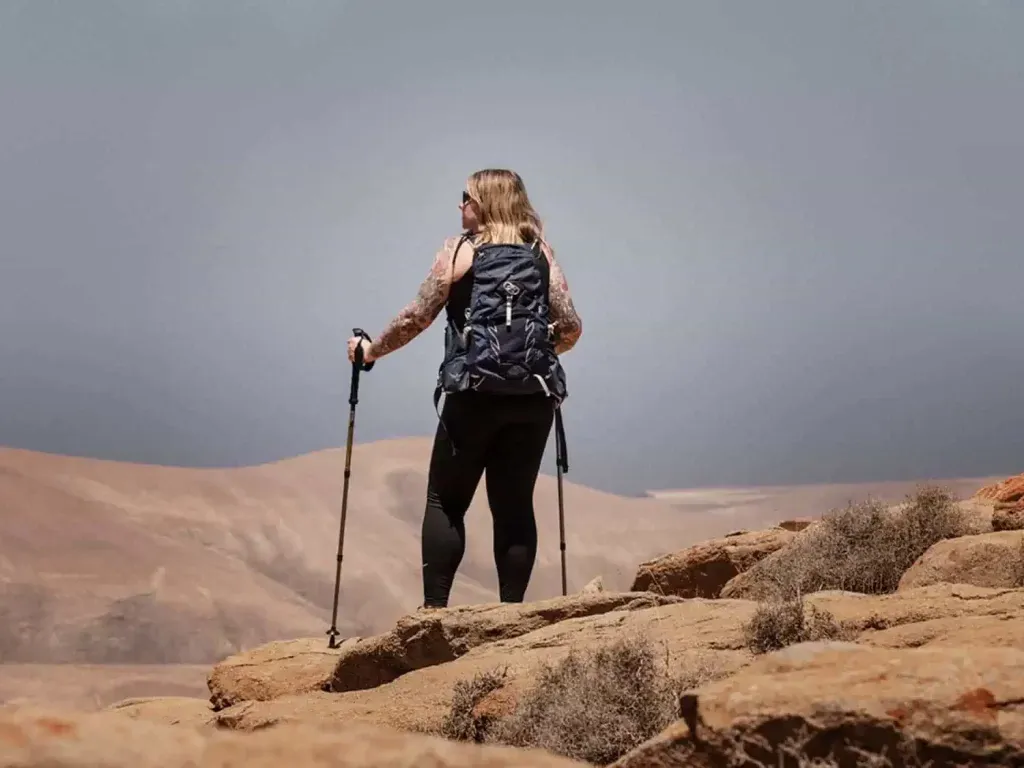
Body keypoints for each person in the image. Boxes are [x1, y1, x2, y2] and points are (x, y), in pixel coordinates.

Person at [346, 168, 583, 609]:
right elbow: (570, 327)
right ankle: (513, 615)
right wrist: (528, 355)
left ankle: (434, 614)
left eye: (466, 198)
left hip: (472, 395)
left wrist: (371, 351)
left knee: (446, 501)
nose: (460, 206)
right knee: (513, 507)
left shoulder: (460, 252)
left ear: (485, 204)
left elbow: (417, 316)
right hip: (532, 399)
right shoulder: (540, 253)